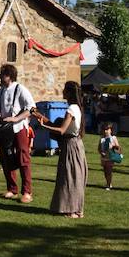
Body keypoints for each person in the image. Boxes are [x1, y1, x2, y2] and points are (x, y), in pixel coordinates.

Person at [42, 81, 88, 217]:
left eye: (64, 90)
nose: (62, 91)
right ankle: (77, 209)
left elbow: (62, 130)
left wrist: (44, 126)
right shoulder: (77, 107)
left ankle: (71, 210)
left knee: (70, 177)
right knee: (76, 177)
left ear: (68, 92)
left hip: (71, 145)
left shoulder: (71, 109)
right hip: (76, 144)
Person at [0, 64, 36, 202]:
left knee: (23, 158)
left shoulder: (20, 89)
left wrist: (16, 118)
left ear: (9, 76)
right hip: (5, 129)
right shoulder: (0, 91)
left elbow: (32, 108)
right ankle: (12, 189)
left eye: (2, 74)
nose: (0, 76)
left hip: (19, 128)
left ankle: (27, 192)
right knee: (7, 158)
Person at [97, 122, 121, 190]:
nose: (105, 131)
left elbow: (118, 147)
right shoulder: (102, 139)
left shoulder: (113, 138)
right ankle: (108, 182)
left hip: (110, 157)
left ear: (111, 130)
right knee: (105, 171)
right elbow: (99, 148)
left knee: (109, 171)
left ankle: (109, 184)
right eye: (104, 130)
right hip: (104, 158)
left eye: (107, 129)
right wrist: (101, 152)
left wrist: (113, 146)